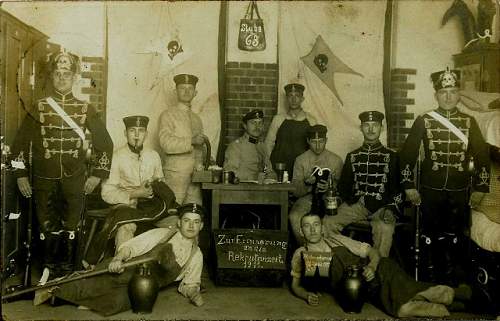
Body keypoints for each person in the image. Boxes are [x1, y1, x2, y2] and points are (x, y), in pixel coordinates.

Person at [10, 50, 113, 276]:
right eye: (58, 73)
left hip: (74, 178)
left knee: (71, 226)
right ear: (51, 76)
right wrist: (20, 175)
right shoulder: (38, 107)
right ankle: (47, 271)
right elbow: (18, 145)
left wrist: (97, 175)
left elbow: (105, 144)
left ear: (75, 77)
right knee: (46, 226)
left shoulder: (86, 109)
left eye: (67, 73)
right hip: (43, 178)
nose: (62, 77)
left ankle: (66, 274)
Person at [400, 68, 490, 284]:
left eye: (452, 91)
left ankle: (451, 282)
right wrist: (408, 185)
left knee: (456, 236)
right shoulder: (424, 120)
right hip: (430, 189)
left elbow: (482, 156)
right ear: (436, 95)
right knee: (429, 235)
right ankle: (428, 280)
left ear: (459, 94)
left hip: (459, 191)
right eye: (443, 92)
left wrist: (480, 187)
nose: (448, 96)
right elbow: (407, 155)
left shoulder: (469, 122)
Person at [290, 213, 473, 317]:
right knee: (402, 307)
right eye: (307, 226)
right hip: (359, 290)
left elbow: (372, 252)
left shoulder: (337, 239)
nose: (313, 229)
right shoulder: (301, 254)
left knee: (399, 307)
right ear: (301, 230)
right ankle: (449, 297)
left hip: (379, 272)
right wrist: (306, 295)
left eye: (316, 224)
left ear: (322, 228)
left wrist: (372, 267)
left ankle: (449, 297)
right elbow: (295, 284)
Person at [52, 203, 205, 316]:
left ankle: (79, 300)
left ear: (201, 226)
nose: (191, 226)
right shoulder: (164, 234)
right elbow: (131, 247)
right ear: (179, 223)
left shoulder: (196, 254)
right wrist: (118, 259)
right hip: (125, 269)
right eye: (187, 221)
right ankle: (52, 291)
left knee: (117, 302)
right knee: (89, 284)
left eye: (196, 222)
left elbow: (190, 284)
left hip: (145, 288)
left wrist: (193, 294)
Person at [88, 116, 177, 263]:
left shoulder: (153, 155)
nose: (136, 135)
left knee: (176, 224)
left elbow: (161, 183)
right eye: (132, 131)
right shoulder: (116, 157)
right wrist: (135, 193)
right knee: (126, 228)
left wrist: (154, 186)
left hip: (151, 206)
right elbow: (107, 192)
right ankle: (120, 265)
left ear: (146, 134)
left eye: (141, 131)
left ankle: (157, 266)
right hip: (126, 205)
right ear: (125, 133)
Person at [323, 111, 403, 258]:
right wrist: (338, 202)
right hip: (357, 204)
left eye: (375, 125)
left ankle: (377, 270)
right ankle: (349, 258)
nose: (371, 129)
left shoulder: (392, 157)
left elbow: (398, 189)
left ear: (382, 128)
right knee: (327, 222)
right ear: (361, 128)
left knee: (384, 228)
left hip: (382, 206)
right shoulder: (352, 156)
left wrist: (391, 209)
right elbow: (343, 188)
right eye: (367, 125)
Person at [289, 125, 343, 244]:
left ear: (326, 140)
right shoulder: (301, 160)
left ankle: (329, 249)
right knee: (294, 216)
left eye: (321, 141)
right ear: (308, 141)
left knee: (332, 218)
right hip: (307, 197)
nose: (318, 146)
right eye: (314, 141)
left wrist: (330, 187)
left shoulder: (336, 160)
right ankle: (305, 249)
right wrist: (307, 185)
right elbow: (295, 191)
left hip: (330, 198)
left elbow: (343, 188)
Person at [158, 74, 207, 205]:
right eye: (182, 88)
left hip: (195, 177)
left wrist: (205, 163)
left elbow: (200, 149)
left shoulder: (197, 119)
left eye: (190, 88)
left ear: (195, 93)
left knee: (194, 213)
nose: (186, 92)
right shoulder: (167, 115)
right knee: (172, 213)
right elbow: (166, 143)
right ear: (175, 92)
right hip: (175, 176)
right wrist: (190, 141)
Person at [265, 83, 317, 179]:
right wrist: (269, 168)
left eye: (297, 96)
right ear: (286, 99)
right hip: (279, 168)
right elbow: (268, 144)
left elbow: (315, 148)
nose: (293, 99)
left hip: (301, 169)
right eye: (290, 96)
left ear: (302, 99)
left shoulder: (311, 120)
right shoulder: (278, 119)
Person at [224, 109, 274, 181]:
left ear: (263, 126)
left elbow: (268, 169)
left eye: (260, 123)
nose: (257, 127)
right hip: (241, 190)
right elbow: (230, 173)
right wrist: (254, 177)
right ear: (245, 126)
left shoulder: (262, 146)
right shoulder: (236, 146)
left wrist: (271, 175)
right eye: (253, 123)